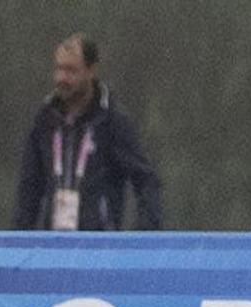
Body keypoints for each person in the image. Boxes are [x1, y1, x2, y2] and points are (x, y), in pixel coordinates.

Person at [13, 34, 162, 232]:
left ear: (91, 70)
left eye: (71, 70)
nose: (62, 78)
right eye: (58, 69)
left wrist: (142, 239)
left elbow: (146, 181)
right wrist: (21, 242)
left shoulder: (111, 120)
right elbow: (29, 187)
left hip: (98, 249)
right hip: (53, 248)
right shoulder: (45, 119)